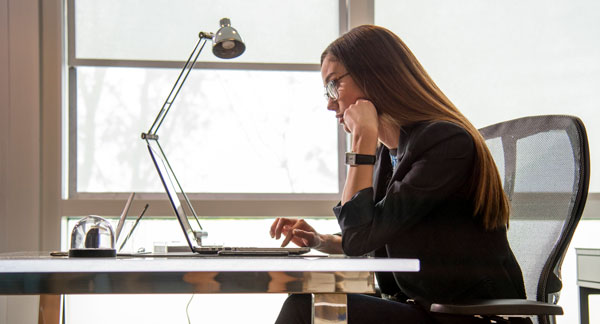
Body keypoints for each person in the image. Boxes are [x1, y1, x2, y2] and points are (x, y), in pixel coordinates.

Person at [269, 25, 531, 324]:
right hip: (426, 308)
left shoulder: (445, 142)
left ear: (374, 75)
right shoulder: (390, 152)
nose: (329, 103)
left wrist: (363, 136)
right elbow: (373, 231)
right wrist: (321, 240)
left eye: (333, 85)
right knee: (311, 303)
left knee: (307, 309)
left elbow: (360, 237)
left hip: (470, 316)